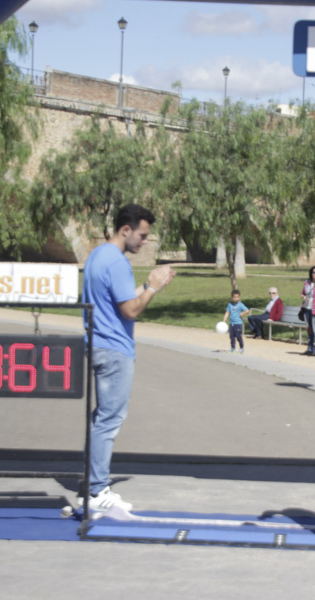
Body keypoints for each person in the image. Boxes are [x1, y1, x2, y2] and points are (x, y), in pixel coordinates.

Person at [82, 203, 176, 513]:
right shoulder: (117, 262)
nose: (145, 241)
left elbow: (121, 298)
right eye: (143, 235)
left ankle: (94, 484)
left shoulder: (97, 256)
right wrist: (153, 285)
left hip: (98, 343)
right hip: (114, 349)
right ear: (126, 230)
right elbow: (131, 309)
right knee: (109, 420)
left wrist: (148, 287)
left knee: (101, 419)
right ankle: (97, 491)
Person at [222, 289, 250, 353]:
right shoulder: (230, 304)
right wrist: (224, 321)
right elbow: (227, 313)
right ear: (232, 297)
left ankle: (241, 348)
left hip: (238, 323)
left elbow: (247, 310)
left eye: (237, 297)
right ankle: (232, 348)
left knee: (238, 336)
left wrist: (242, 314)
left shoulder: (240, 304)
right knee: (231, 336)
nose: (236, 298)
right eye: (235, 297)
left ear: (239, 297)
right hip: (231, 323)